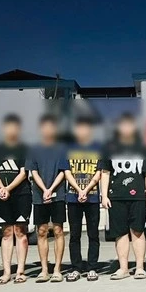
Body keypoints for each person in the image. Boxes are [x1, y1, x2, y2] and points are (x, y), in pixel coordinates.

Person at [100, 113, 146, 280]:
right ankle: (123, 268)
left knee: (138, 231)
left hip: (138, 196)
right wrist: (104, 195)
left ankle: (140, 267)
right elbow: (105, 172)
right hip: (116, 196)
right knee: (120, 233)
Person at [0, 114, 32, 284]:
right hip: (1, 196)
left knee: (20, 232)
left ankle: (20, 271)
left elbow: (23, 173)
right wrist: (2, 188)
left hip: (21, 194)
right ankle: (6, 272)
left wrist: (9, 188)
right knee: (6, 233)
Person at [26, 114, 68, 283]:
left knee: (58, 230)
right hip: (39, 195)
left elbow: (64, 171)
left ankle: (57, 269)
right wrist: (44, 189)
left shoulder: (61, 148)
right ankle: (44, 269)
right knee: (42, 231)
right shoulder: (34, 149)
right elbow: (33, 171)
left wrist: (51, 189)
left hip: (58, 194)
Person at [64, 116, 102, 282]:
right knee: (75, 235)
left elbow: (99, 172)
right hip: (73, 197)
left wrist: (86, 190)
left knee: (93, 234)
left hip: (92, 197)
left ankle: (92, 267)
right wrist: (79, 190)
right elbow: (66, 172)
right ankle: (76, 267)